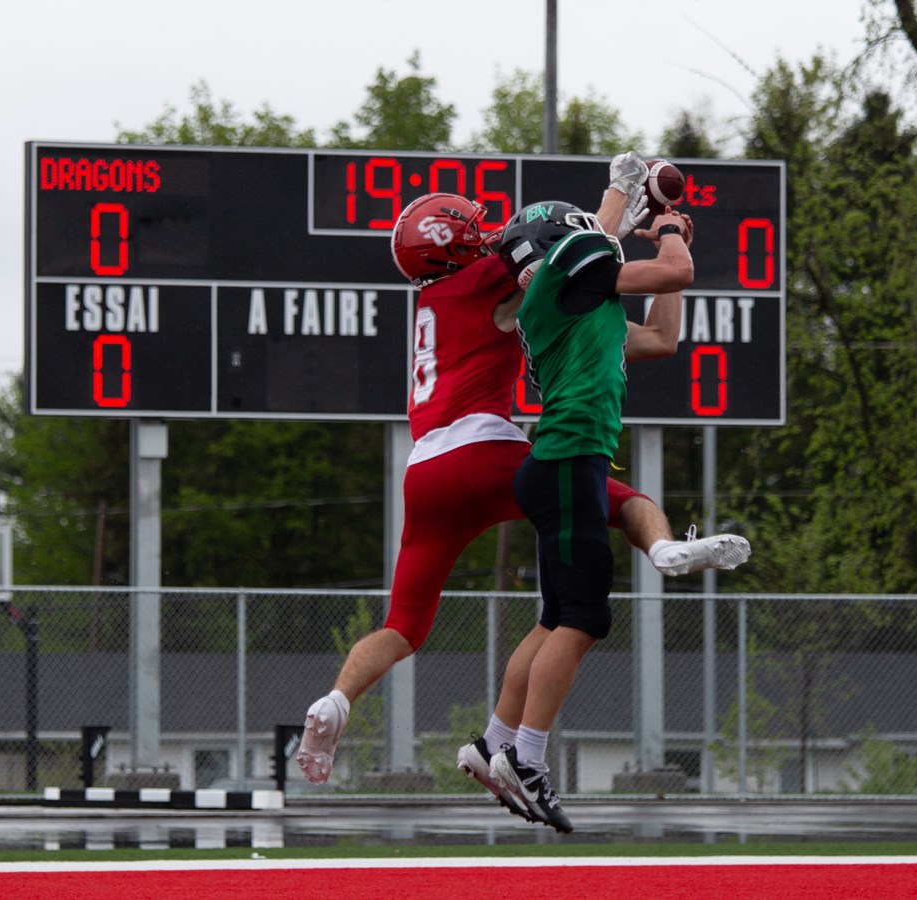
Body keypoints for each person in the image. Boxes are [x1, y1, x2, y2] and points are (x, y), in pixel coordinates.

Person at [296, 157, 750, 812]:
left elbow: (627, 311)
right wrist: (621, 191)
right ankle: (662, 551)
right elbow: (581, 249)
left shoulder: (438, 296)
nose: (486, 234)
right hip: (481, 446)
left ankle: (335, 702)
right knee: (605, 498)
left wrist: (626, 208)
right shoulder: (490, 277)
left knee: (403, 625)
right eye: (471, 228)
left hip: (425, 470)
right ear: (452, 243)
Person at [488, 195, 749, 833]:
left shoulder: (574, 299)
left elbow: (662, 337)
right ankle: (526, 760)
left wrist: (657, 234)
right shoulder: (573, 258)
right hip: (570, 458)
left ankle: (498, 742)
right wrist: (667, 229)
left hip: (558, 463)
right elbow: (674, 271)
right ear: (562, 237)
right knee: (583, 619)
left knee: (556, 620)